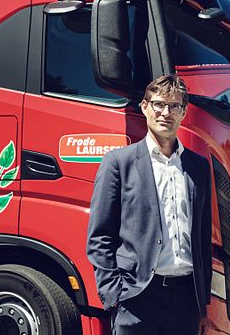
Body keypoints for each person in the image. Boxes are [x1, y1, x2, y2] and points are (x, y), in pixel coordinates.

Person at [87, 75, 211, 335]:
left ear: (184, 112)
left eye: (174, 106)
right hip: (137, 296)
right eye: (158, 104)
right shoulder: (118, 163)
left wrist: (202, 305)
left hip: (187, 300)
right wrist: (114, 296)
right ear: (144, 107)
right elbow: (99, 237)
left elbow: (202, 239)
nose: (166, 112)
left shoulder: (198, 166)